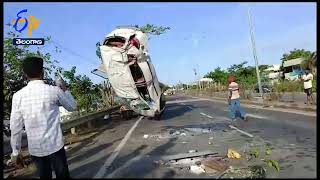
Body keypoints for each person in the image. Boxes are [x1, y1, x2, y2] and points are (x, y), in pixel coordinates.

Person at [9, 56, 77, 178]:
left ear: (25, 74)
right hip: (55, 145)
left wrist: (15, 152)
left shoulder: (17, 96)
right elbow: (72, 107)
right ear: (43, 71)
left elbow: (15, 127)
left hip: (36, 149)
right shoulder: (54, 91)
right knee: (63, 175)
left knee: (44, 176)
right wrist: (65, 89)